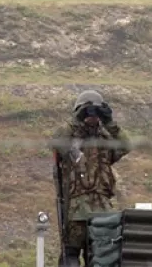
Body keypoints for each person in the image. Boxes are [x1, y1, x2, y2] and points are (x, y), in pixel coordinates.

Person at [52, 90, 131, 267]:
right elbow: (57, 140)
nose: (92, 117)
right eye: (87, 113)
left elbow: (126, 145)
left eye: (96, 114)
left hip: (102, 209)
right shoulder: (70, 138)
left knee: (100, 257)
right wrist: (77, 120)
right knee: (70, 254)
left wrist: (109, 121)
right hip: (76, 208)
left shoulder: (106, 139)